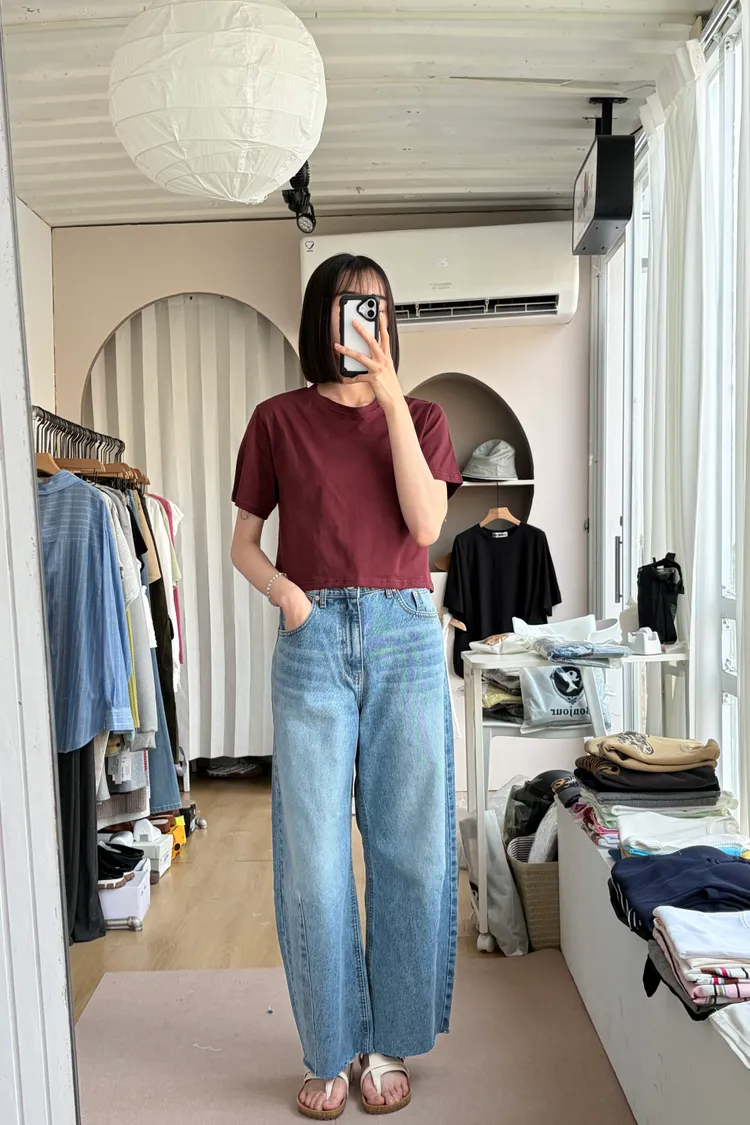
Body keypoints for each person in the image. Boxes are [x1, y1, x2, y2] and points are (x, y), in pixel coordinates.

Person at [231, 253, 462, 1119]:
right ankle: (331, 1045)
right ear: (319, 318)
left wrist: (391, 395)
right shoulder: (276, 419)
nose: (366, 319)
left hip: (406, 639)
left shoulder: (425, 417)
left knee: (410, 848)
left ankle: (388, 1040)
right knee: (316, 861)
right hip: (313, 639)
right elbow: (242, 544)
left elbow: (426, 523)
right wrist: (289, 596)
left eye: (377, 306)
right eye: (348, 305)